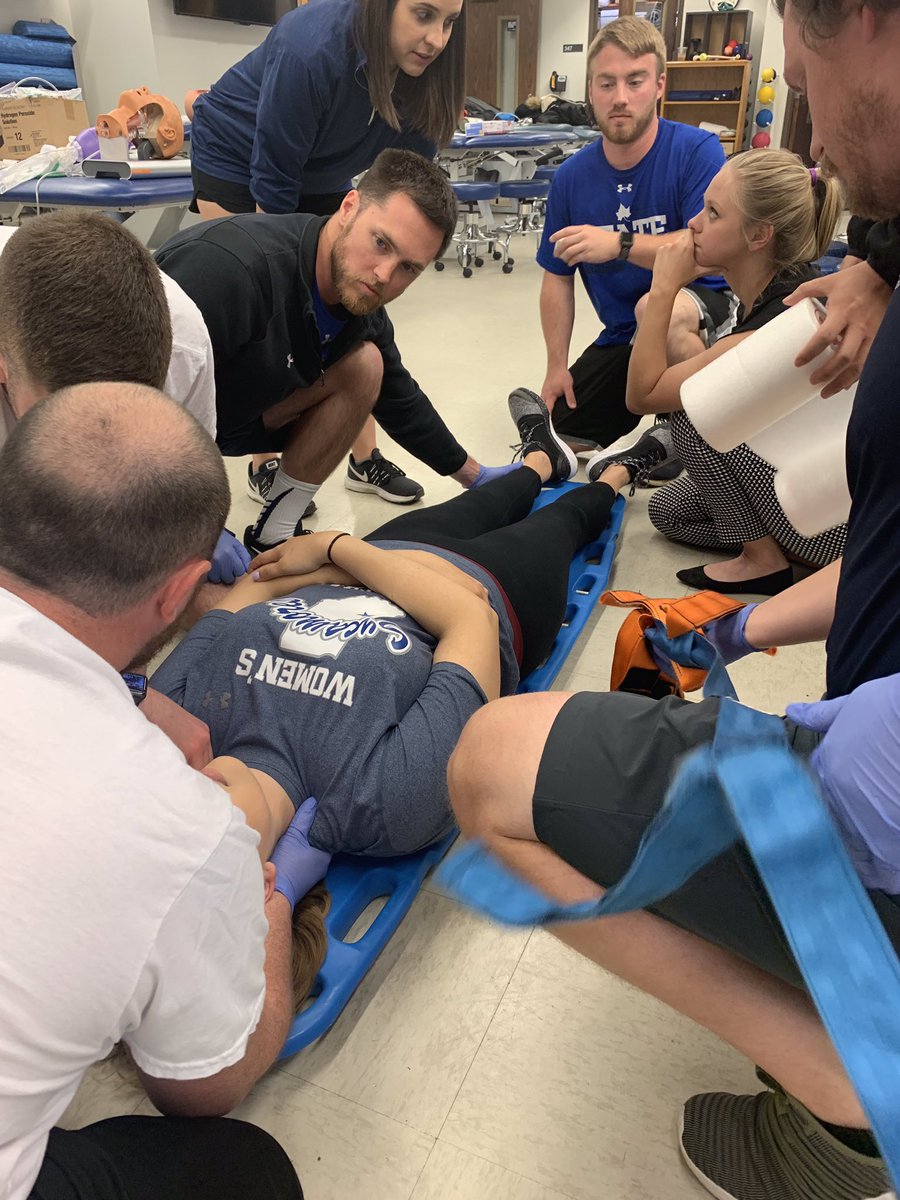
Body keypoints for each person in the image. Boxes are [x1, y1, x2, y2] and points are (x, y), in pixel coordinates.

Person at [442, 0, 900, 1193]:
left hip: (877, 784)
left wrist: (831, 757)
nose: (816, 137)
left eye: (806, 67)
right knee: (660, 474)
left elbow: (661, 392)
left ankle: (854, 1084)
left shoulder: (786, 300)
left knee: (488, 765)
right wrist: (740, 625)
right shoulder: (860, 275)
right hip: (860, 700)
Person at [147, 402, 671, 975]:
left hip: (384, 556)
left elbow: (252, 589)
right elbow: (471, 621)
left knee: (495, 494)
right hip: (490, 586)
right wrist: (336, 552)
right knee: (568, 518)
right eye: (210, 838)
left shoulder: (172, 726)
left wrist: (340, 567)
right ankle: (618, 474)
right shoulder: (381, 805)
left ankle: (541, 460)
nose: (191, 798)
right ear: (266, 879)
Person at [0, 382, 309, 1200]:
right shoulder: (182, 829)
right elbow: (204, 1083)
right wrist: (269, 915)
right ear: (180, 590)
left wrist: (130, 692)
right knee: (246, 1171)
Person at [157, 149, 517, 553]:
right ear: (349, 207)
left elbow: (401, 401)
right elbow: (131, 402)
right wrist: (197, 528)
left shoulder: (361, 306)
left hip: (238, 418)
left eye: (408, 268)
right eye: (381, 243)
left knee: (367, 366)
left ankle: (274, 532)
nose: (384, 275)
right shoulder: (230, 271)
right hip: (159, 423)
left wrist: (474, 476)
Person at [187, 0, 466, 505]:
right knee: (273, 310)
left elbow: (408, 186)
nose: (436, 39)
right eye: (423, 14)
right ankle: (264, 463)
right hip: (237, 152)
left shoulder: (428, 68)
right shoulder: (310, 46)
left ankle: (364, 458)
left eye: (449, 22)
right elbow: (272, 183)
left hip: (319, 167)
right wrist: (289, 282)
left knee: (354, 310)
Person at [592, 149, 843, 595]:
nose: (693, 223)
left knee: (695, 411)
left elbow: (642, 396)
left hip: (835, 523)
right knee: (669, 512)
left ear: (759, 236)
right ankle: (784, 547)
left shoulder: (778, 323)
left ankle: (763, 560)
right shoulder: (776, 292)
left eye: (713, 213)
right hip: (812, 489)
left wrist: (664, 286)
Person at [510, 15, 730, 472]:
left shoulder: (698, 151)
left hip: (701, 308)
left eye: (635, 81)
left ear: (659, 85)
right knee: (562, 432)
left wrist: (620, 244)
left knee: (656, 309)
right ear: (591, 90)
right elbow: (557, 277)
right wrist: (556, 366)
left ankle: (687, 434)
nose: (621, 98)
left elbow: (704, 249)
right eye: (607, 84)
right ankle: (662, 430)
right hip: (624, 335)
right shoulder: (571, 178)